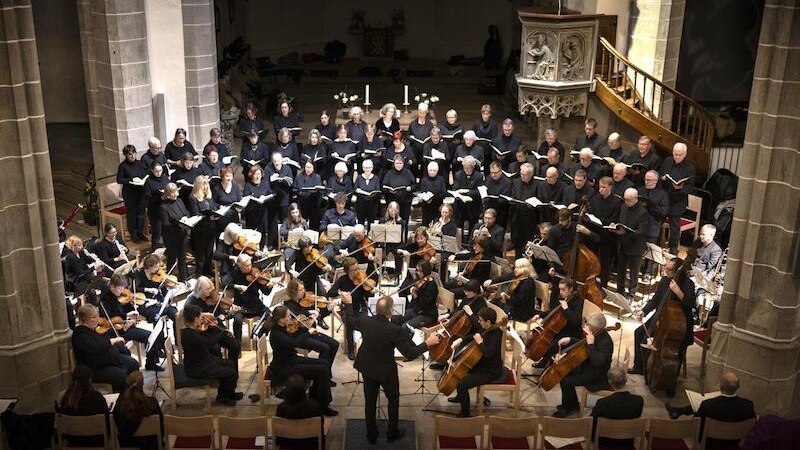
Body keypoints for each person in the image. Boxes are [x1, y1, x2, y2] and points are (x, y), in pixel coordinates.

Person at [344, 295, 439, 443]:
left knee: (370, 401)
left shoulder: (365, 321)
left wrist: (349, 303)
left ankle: (371, 434)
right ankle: (392, 432)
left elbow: (349, 320)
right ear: (390, 312)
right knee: (393, 400)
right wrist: (427, 343)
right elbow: (410, 353)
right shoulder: (394, 330)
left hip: (367, 367)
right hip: (386, 371)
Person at [631, 258, 695, 386]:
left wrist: (678, 291)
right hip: (661, 318)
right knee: (639, 333)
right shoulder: (664, 280)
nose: (666, 270)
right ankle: (640, 367)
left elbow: (690, 303)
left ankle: (671, 381)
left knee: (677, 350)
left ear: (678, 271)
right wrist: (643, 311)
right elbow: (655, 300)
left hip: (679, 325)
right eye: (666, 267)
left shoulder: (688, 284)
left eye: (669, 269)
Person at [267, 306, 338, 416]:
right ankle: (324, 405)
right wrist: (308, 333)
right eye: (288, 316)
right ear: (281, 319)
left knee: (324, 363)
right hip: (284, 367)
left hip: (291, 360)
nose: (291, 318)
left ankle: (315, 400)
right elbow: (293, 343)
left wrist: (304, 326)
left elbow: (293, 336)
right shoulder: (277, 334)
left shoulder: (281, 328)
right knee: (321, 370)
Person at [89, 275, 164, 372]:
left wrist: (128, 316)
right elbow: (111, 318)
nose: (121, 292)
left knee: (151, 335)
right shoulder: (104, 300)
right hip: (116, 329)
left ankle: (152, 361)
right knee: (148, 336)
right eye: (119, 289)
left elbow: (120, 312)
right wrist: (126, 318)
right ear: (112, 287)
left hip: (124, 325)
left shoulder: (115, 295)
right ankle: (150, 364)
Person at [665, 372, 756, 449]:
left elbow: (696, 426)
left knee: (702, 410)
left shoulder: (708, 405)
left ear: (721, 386)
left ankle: (677, 411)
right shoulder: (748, 405)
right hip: (733, 444)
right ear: (738, 387)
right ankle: (677, 411)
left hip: (710, 444)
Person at [445, 307, 505, 417]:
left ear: (488, 322)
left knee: (462, 384)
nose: (479, 322)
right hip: (483, 364)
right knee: (460, 371)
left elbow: (489, 354)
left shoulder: (496, 334)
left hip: (491, 370)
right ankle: (460, 397)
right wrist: (461, 340)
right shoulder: (486, 328)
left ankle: (465, 413)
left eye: (481, 320)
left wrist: (480, 342)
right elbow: (474, 335)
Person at [553, 312, 613, 417]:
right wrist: (570, 340)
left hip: (596, 376)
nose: (586, 326)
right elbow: (583, 343)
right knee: (565, 373)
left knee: (566, 381)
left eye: (589, 325)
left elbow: (598, 362)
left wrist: (591, 344)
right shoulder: (595, 334)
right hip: (588, 368)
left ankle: (567, 408)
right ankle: (572, 405)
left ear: (597, 328)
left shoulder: (606, 343)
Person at [181, 304, 241, 406]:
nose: (202, 319)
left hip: (204, 360)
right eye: (201, 317)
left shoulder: (192, 330)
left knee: (230, 363)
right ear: (195, 319)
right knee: (231, 373)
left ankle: (229, 394)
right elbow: (207, 342)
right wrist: (222, 334)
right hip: (197, 368)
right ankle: (223, 398)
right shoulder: (188, 334)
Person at [71, 304, 139, 393]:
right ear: (84, 319)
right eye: (94, 317)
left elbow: (104, 338)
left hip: (109, 361)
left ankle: (134, 395)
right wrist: (112, 341)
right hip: (96, 369)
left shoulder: (92, 329)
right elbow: (96, 347)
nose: (97, 319)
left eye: (97, 315)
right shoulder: (80, 334)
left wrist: (123, 329)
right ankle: (123, 399)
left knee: (133, 364)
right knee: (121, 376)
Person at [183, 276, 242, 362]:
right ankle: (218, 370)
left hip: (217, 329)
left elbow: (221, 315)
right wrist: (204, 317)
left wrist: (230, 313)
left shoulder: (212, 297)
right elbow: (190, 321)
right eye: (207, 289)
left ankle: (232, 369)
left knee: (235, 345)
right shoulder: (191, 302)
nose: (211, 291)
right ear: (199, 289)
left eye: (211, 288)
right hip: (203, 334)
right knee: (215, 349)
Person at [220, 254, 276, 342]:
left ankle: (260, 334)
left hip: (256, 305)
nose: (250, 268)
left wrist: (269, 286)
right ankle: (237, 345)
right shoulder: (234, 272)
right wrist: (237, 286)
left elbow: (266, 293)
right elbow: (223, 284)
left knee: (271, 317)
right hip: (241, 306)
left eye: (250, 264)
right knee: (237, 321)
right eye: (247, 266)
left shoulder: (255, 273)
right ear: (240, 265)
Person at [325, 257, 369, 360]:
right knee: (349, 322)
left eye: (357, 268)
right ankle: (351, 349)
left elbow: (367, 297)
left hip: (360, 306)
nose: (356, 272)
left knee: (365, 322)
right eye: (353, 270)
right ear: (347, 270)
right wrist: (340, 293)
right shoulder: (342, 280)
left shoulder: (361, 279)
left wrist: (367, 287)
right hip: (347, 308)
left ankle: (365, 348)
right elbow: (330, 293)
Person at [56, 365, 110, 448]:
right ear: (89, 380)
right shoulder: (97, 398)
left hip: (73, 440)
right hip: (96, 440)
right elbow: (107, 423)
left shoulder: (63, 398)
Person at [591, 366, 643, 447]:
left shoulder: (602, 403)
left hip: (605, 443)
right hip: (627, 442)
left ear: (610, 382)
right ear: (626, 380)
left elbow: (592, 423)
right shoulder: (639, 401)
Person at [283, 278, 338, 355]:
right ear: (293, 291)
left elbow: (319, 314)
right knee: (325, 347)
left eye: (303, 289)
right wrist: (309, 312)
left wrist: (328, 309)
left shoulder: (304, 301)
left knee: (335, 344)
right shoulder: (288, 304)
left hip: (310, 331)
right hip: (299, 336)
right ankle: (323, 366)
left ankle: (325, 367)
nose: (304, 291)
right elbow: (295, 314)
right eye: (300, 290)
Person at [613, 188, 650, 298]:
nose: (626, 202)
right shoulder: (623, 207)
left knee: (634, 273)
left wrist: (625, 233)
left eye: (628, 200)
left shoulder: (643, 212)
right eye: (625, 199)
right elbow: (621, 221)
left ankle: (631, 294)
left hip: (636, 246)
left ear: (635, 199)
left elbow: (642, 231)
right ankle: (620, 291)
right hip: (623, 244)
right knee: (621, 270)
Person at [661, 142, 696, 254]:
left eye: (680, 155)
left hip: (677, 201)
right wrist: (662, 178)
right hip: (665, 197)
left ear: (685, 154)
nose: (677, 157)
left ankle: (673, 250)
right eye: (675, 154)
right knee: (656, 219)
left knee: (675, 227)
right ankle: (655, 245)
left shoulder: (689, 168)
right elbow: (661, 173)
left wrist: (680, 188)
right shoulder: (667, 161)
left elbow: (691, 187)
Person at [114, 370, 162, 450]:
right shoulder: (152, 404)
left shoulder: (118, 406)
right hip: (150, 445)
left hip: (126, 445)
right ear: (142, 384)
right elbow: (161, 429)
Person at [589, 177, 622, 288]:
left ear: (610, 187)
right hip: (595, 235)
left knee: (605, 264)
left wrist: (598, 219)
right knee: (592, 261)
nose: (601, 190)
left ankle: (603, 287)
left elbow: (614, 220)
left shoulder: (617, 202)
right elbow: (591, 215)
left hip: (608, 238)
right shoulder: (594, 199)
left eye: (604, 187)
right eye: (600, 187)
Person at [275, 374, 324, 449]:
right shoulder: (314, 406)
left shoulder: (281, 409)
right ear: (304, 390)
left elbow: (278, 440)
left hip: (287, 447)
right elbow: (321, 431)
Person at [638, 170, 670, 279]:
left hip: (653, 224)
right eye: (646, 179)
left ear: (656, 181)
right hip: (638, 224)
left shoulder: (662, 194)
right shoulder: (640, 190)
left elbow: (663, 213)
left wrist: (651, 205)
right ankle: (636, 268)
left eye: (650, 180)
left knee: (650, 248)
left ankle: (648, 271)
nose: (647, 182)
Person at [186, 175, 218, 277]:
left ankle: (207, 271)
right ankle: (199, 274)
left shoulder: (208, 196)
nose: (205, 187)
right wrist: (209, 217)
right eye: (203, 185)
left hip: (211, 227)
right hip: (200, 229)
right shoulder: (192, 197)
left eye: (206, 184)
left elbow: (213, 207)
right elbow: (195, 214)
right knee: (200, 254)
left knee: (209, 252)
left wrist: (218, 211)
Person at [116, 144, 147, 243]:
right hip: (130, 193)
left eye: (133, 153)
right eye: (129, 154)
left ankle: (140, 233)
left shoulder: (140, 163)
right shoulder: (123, 166)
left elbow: (145, 174)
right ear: (126, 155)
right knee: (132, 214)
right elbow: (119, 179)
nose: (132, 156)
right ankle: (133, 234)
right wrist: (131, 179)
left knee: (141, 213)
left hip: (140, 191)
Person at [159, 183, 190, 281]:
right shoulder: (163, 207)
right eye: (173, 193)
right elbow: (166, 224)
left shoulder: (179, 201)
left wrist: (186, 218)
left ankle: (183, 279)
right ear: (168, 194)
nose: (176, 194)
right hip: (172, 236)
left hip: (182, 234)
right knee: (172, 259)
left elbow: (186, 212)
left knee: (182, 258)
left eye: (176, 191)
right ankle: (169, 281)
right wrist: (178, 223)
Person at [509, 163, 540, 257]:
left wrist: (533, 204)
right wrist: (512, 200)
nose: (522, 176)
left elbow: (539, 200)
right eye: (521, 174)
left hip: (529, 219)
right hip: (517, 217)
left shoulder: (537, 184)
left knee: (527, 244)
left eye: (524, 174)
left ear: (530, 174)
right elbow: (513, 195)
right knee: (516, 242)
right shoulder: (516, 182)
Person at [397, 260, 438, 330]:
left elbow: (425, 304)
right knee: (395, 318)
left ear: (426, 271)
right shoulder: (418, 280)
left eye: (420, 271)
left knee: (405, 326)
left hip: (428, 315)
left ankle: (407, 340)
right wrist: (407, 289)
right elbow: (404, 291)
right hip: (416, 310)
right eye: (417, 270)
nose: (418, 273)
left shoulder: (432, 285)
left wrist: (416, 296)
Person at [452, 155, 484, 239]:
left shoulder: (479, 176)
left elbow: (479, 192)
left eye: (468, 168)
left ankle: (471, 245)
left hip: (473, 207)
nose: (466, 170)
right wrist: (460, 195)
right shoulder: (458, 175)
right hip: (460, 206)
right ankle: (459, 245)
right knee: (459, 227)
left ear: (473, 167)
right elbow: (455, 189)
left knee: (473, 228)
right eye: (465, 167)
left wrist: (468, 192)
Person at [242, 165, 274, 250]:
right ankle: (252, 250)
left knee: (263, 231)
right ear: (251, 175)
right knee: (252, 232)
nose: (258, 176)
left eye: (259, 174)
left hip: (263, 211)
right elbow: (245, 197)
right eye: (255, 174)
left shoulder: (265, 183)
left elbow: (270, 194)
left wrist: (266, 198)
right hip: (252, 212)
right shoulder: (248, 185)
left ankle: (262, 248)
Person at [141, 161, 170, 250]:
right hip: (154, 209)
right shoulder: (149, 181)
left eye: (160, 170)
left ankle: (167, 247)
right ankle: (155, 248)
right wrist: (158, 196)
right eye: (156, 171)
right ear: (152, 171)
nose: (159, 173)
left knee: (166, 229)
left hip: (165, 208)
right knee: (157, 230)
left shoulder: (165, 178)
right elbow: (147, 196)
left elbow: (169, 188)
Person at [294, 161, 325, 231]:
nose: (308, 169)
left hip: (313, 202)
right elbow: (295, 188)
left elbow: (319, 190)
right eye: (307, 167)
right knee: (302, 223)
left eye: (310, 167)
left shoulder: (317, 177)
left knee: (314, 223)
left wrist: (314, 191)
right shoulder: (299, 176)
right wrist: (300, 192)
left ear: (313, 168)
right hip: (302, 202)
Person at [382, 155, 415, 219]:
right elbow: (384, 186)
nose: (398, 165)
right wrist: (389, 190)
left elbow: (414, 185)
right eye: (397, 163)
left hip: (405, 200)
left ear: (403, 164)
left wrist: (410, 188)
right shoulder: (389, 173)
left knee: (404, 220)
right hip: (392, 200)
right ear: (394, 164)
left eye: (400, 163)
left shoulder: (407, 172)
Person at [417, 161, 448, 226]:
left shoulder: (441, 179)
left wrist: (434, 197)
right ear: (428, 170)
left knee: (436, 226)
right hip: (426, 207)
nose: (432, 172)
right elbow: (422, 191)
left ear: (437, 171)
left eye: (434, 170)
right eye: (430, 170)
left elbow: (444, 193)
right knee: (426, 225)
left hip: (437, 206)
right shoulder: (424, 180)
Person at [483, 162, 512, 228]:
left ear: (500, 171)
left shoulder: (506, 182)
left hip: (500, 212)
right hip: (488, 209)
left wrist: (493, 197)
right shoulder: (488, 179)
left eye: (495, 172)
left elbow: (504, 200)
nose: (493, 175)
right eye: (491, 172)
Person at [408, 102, 434, 176]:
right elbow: (408, 135)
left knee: (424, 167)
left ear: (426, 113)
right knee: (414, 166)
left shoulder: (430, 124)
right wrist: (410, 137)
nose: (422, 115)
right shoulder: (412, 124)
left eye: (424, 113)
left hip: (425, 149)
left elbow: (432, 136)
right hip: (415, 149)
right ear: (418, 112)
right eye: (420, 112)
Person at [354, 159, 382, 226]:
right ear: (363, 168)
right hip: (361, 203)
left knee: (371, 222)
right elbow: (355, 189)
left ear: (372, 168)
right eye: (366, 168)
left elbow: (377, 190)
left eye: (369, 167)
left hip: (372, 203)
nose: (368, 169)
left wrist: (371, 195)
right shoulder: (359, 177)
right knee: (360, 222)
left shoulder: (376, 178)